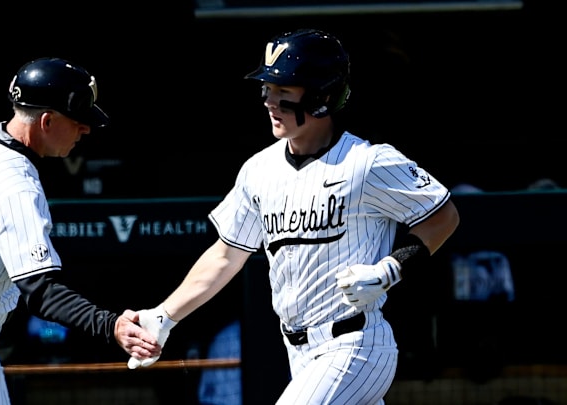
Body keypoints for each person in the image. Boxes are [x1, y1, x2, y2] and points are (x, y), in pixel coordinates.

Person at [127, 29, 460, 405]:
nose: (270, 101)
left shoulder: (369, 162)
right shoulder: (259, 169)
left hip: (356, 343)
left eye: (284, 91)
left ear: (322, 97)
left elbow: (443, 215)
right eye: (267, 89)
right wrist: (165, 314)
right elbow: (226, 255)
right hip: (298, 352)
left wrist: (389, 270)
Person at [0, 57, 161, 404]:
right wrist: (110, 325)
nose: (86, 130)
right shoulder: (15, 184)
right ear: (47, 121)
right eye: (78, 120)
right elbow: (41, 292)